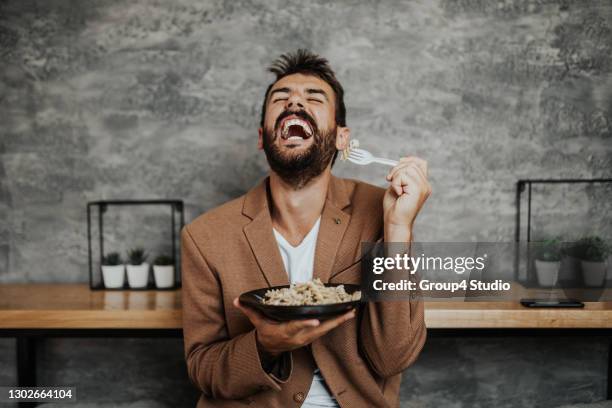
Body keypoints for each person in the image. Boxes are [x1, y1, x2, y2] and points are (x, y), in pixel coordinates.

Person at [181, 49, 430, 408]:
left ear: (342, 139)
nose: (294, 102)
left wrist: (397, 229)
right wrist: (264, 345)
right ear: (262, 136)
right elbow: (203, 369)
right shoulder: (204, 237)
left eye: (313, 98)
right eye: (281, 98)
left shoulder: (385, 211)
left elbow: (393, 357)